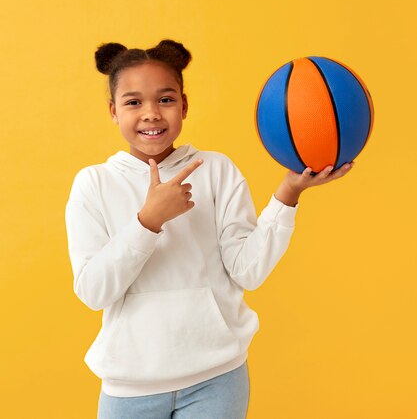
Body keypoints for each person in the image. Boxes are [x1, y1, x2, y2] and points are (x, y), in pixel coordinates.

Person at [65, 39, 354, 419]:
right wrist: (147, 222)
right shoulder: (93, 184)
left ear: (183, 104)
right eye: (133, 102)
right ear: (113, 111)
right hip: (130, 387)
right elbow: (93, 291)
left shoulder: (216, 170)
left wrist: (288, 193)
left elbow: (247, 270)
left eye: (165, 99)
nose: (151, 113)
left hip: (217, 379)